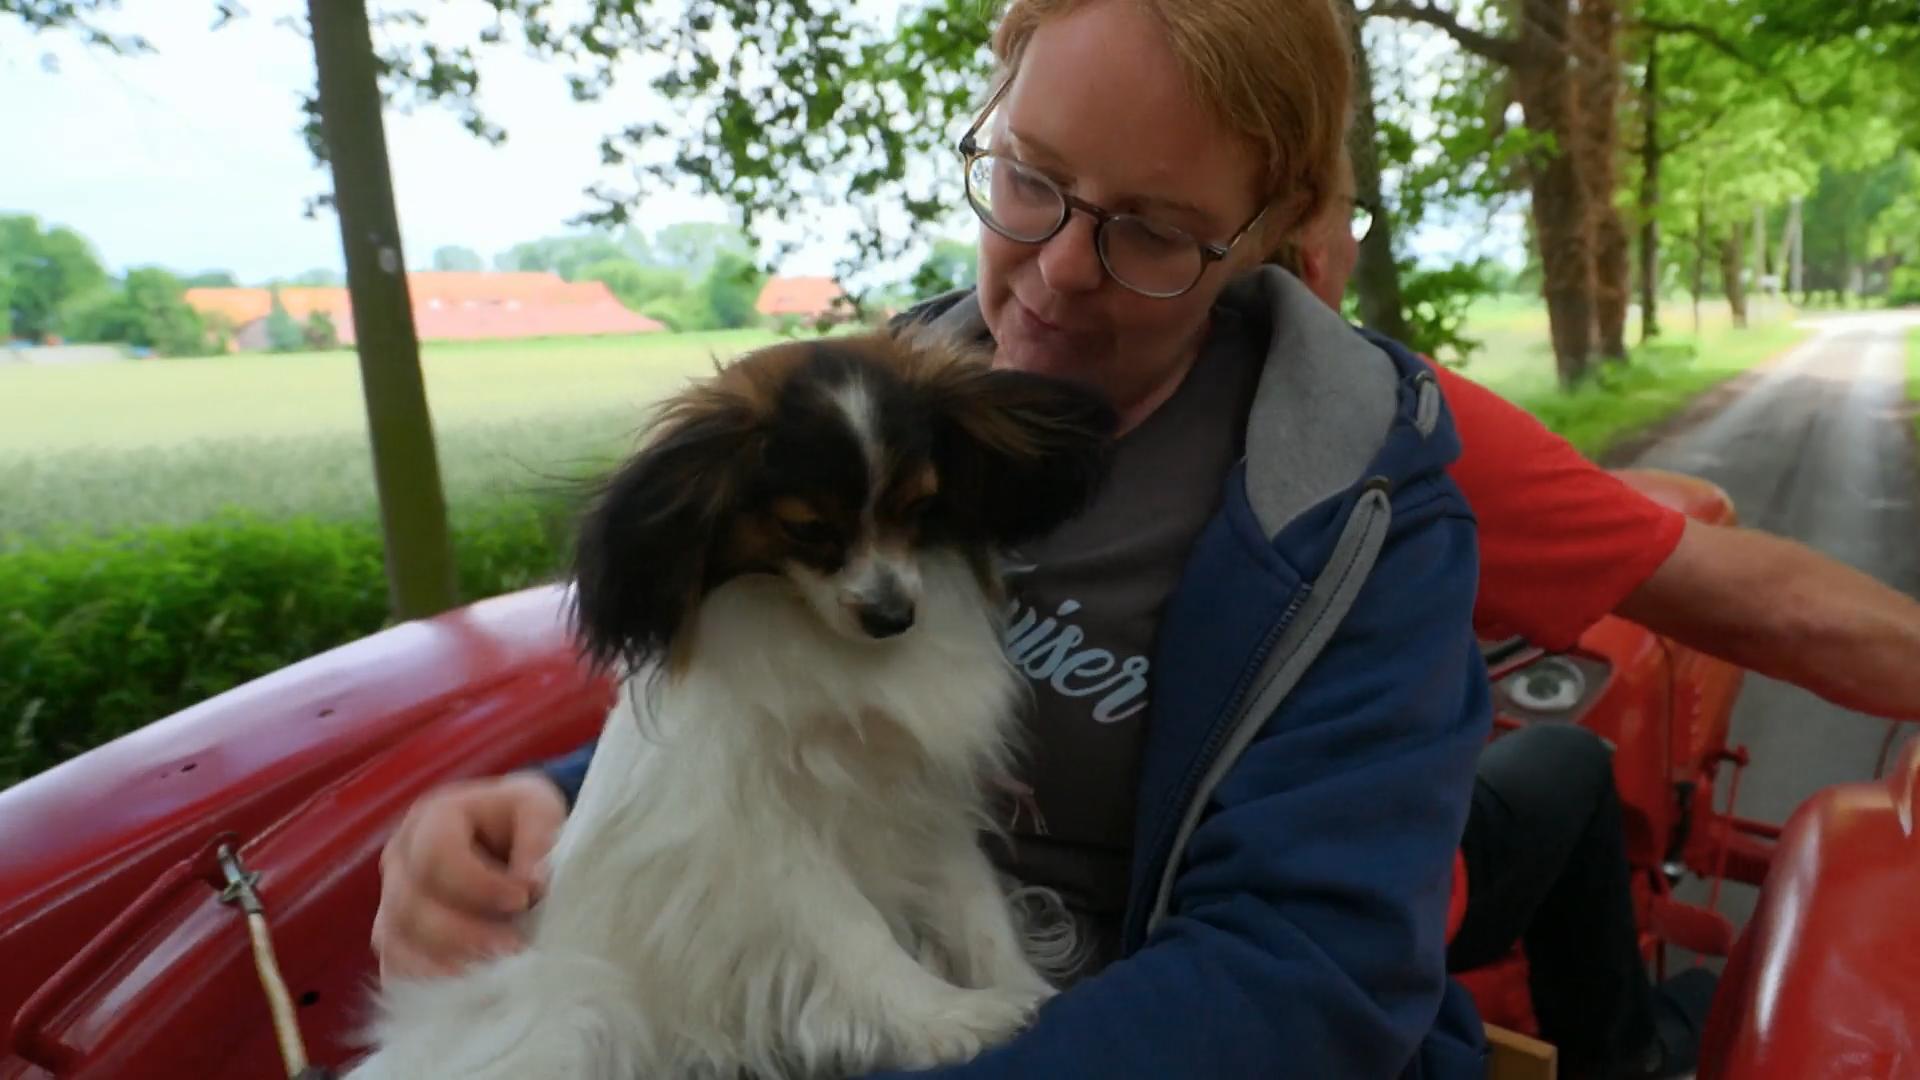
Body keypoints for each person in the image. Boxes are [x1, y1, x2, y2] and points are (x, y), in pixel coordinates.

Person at [376, 1, 1494, 1077]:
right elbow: (775, 728)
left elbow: (1309, 980)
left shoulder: (1354, 526)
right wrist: (560, 805)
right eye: (1031, 178)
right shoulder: (887, 410)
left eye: (1153, 230)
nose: (1060, 266)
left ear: (1270, 223)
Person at [1284, 153, 1920, 1078]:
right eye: (1351, 218)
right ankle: (1623, 1055)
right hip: (1341, 938)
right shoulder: (1381, 417)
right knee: (1570, 762)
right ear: (1310, 245)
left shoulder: (1079, 374)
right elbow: (1772, 610)